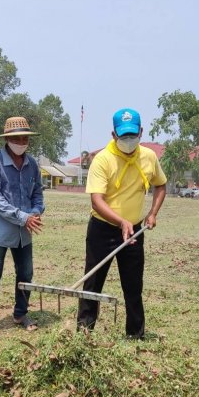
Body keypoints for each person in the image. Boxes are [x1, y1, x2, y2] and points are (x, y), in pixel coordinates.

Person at [76, 108, 167, 338]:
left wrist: (153, 213)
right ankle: (84, 333)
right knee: (93, 283)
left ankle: (135, 335)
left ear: (141, 132)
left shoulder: (149, 157)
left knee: (133, 284)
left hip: (135, 230)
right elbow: (97, 201)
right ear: (113, 134)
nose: (128, 141)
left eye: (132, 136)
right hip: (102, 229)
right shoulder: (103, 160)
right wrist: (120, 221)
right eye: (123, 136)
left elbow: (161, 185)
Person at [0, 116, 44, 337]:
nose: (21, 141)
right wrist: (23, 217)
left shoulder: (32, 164)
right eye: (17, 138)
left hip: (24, 232)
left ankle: (20, 313)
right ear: (7, 139)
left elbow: (38, 194)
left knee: (25, 274)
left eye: (25, 137)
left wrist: (35, 213)